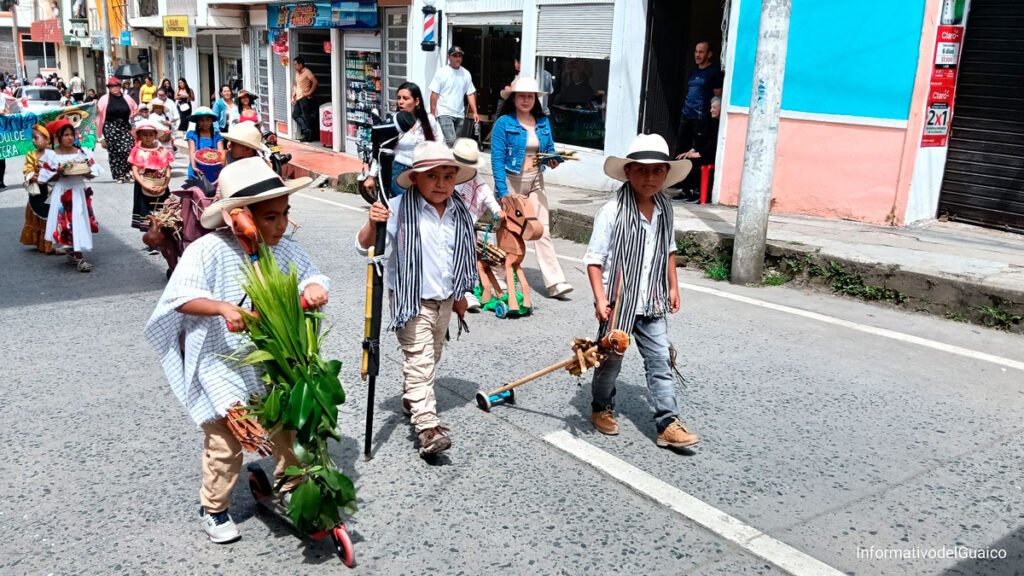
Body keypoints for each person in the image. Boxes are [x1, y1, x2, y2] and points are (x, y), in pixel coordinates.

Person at [144, 158, 325, 544]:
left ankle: (291, 486)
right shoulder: (209, 250)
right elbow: (181, 297)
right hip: (219, 364)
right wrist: (223, 307)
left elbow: (312, 274)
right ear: (236, 217)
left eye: (285, 214)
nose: (280, 225)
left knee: (284, 430)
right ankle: (214, 507)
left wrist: (313, 288)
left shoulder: (285, 250)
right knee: (226, 446)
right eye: (270, 217)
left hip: (273, 364)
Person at [356, 141, 477, 457]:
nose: (441, 184)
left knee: (432, 355)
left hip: (445, 300)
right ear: (415, 179)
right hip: (411, 300)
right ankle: (427, 427)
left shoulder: (460, 212)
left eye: (448, 177)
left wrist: (462, 297)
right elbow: (363, 247)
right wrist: (373, 222)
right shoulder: (397, 208)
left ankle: (413, 397)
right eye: (432, 176)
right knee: (419, 359)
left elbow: (459, 258)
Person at [584, 133, 700, 450]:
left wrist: (674, 286)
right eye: (641, 170)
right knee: (610, 363)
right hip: (620, 303)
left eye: (657, 170)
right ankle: (601, 406)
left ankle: (667, 423)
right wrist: (600, 299)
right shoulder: (611, 212)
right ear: (628, 172)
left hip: (653, 300)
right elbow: (594, 261)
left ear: (665, 173)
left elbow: (669, 250)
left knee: (660, 359)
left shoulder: (665, 209)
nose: (649, 177)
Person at [490, 77, 572, 299]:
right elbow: (496, 159)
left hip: (535, 180)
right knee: (509, 233)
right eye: (522, 96)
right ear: (514, 98)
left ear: (535, 99)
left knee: (541, 229)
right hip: (510, 181)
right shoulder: (503, 123)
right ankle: (500, 278)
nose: (526, 100)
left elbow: (549, 150)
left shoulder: (543, 122)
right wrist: (503, 192)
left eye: (530, 96)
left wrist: (552, 160)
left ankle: (555, 282)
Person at [39, 119, 102, 272]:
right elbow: (44, 179)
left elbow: (92, 173)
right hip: (62, 193)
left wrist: (87, 173)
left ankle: (76, 254)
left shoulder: (83, 153)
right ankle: (77, 255)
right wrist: (57, 173)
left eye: (71, 134)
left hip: (78, 192)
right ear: (58, 137)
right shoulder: (51, 156)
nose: (69, 137)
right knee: (68, 223)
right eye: (65, 135)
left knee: (78, 221)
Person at [361, 82, 441, 197]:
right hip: (398, 172)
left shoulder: (429, 121)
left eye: (406, 98)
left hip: (422, 171)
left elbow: (438, 145)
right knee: (410, 201)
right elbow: (380, 151)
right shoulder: (393, 123)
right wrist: (371, 177)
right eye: (399, 98)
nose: (401, 102)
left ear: (417, 101)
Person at [451, 137, 503, 312]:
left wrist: (496, 210)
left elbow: (486, 193)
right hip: (445, 222)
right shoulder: (446, 173)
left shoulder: (474, 176)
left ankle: (466, 290)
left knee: (467, 255)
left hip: (466, 224)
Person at [675, 41, 723, 164]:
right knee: (681, 150)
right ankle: (679, 181)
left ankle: (692, 180)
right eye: (696, 51)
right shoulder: (693, 71)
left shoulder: (714, 72)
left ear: (709, 54)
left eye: (701, 52)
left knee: (697, 151)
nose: (697, 55)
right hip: (686, 116)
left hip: (701, 118)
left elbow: (718, 96)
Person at [129, 118, 174, 233]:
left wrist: (164, 185)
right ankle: (151, 236)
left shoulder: (162, 150)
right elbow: (135, 170)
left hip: (161, 185)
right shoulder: (137, 151)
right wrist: (145, 185)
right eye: (144, 135)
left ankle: (161, 234)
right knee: (146, 211)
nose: (148, 137)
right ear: (139, 136)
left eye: (151, 135)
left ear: (155, 136)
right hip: (143, 186)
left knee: (162, 210)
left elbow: (167, 169)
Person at [429, 46, 479, 147]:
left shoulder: (466, 74)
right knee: (451, 140)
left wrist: (475, 112)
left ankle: (448, 160)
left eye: (460, 56)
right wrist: (433, 113)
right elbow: (434, 93)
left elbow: (470, 93)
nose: (458, 58)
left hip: (459, 113)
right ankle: (448, 160)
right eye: (455, 56)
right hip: (444, 112)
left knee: (455, 142)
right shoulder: (442, 72)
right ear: (449, 57)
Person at [675, 96, 721, 203]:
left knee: (693, 163)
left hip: (710, 156)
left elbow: (713, 144)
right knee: (682, 159)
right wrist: (692, 150)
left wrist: (699, 154)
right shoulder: (710, 122)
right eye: (711, 107)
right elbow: (702, 140)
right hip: (703, 152)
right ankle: (685, 191)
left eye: (714, 108)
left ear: (720, 109)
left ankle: (697, 192)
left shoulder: (721, 125)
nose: (711, 110)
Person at [20, 124, 56, 254]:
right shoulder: (31, 155)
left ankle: (48, 244)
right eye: (33, 138)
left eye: (37, 137)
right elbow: (27, 170)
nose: (34, 141)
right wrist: (33, 176)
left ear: (47, 140)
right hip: (36, 191)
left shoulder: (53, 154)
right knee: (37, 215)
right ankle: (39, 242)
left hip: (50, 191)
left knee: (49, 216)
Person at [95, 76, 139, 184]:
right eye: (111, 86)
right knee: (115, 151)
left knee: (128, 149)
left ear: (120, 86)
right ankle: (119, 174)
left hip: (124, 126)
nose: (114, 88)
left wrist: (134, 127)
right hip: (110, 126)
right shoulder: (104, 99)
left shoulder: (127, 98)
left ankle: (128, 171)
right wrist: (100, 137)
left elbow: (134, 112)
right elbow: (98, 115)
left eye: (116, 86)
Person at [186, 107, 225, 182]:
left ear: (211, 121)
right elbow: (192, 151)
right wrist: (194, 167)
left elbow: (221, 153)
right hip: (197, 168)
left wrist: (222, 169)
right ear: (197, 121)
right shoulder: (192, 135)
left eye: (207, 120)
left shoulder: (217, 136)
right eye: (201, 120)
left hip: (214, 171)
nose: (205, 123)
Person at [290, 57, 318, 142]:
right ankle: (306, 129)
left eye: (296, 64)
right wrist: (293, 95)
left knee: (306, 117)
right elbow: (296, 85)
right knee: (295, 115)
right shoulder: (297, 73)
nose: (295, 66)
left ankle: (308, 136)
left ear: (301, 64)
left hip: (305, 98)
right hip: (298, 97)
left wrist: (309, 92)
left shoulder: (307, 72)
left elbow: (315, 82)